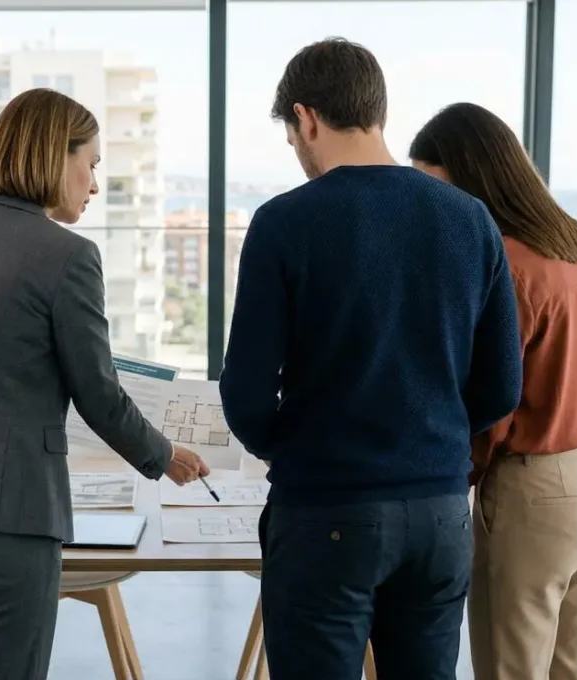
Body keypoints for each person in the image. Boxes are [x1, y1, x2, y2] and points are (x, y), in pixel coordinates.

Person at [0, 88, 209, 680]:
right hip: (7, 517)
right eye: (93, 163)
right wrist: (165, 456)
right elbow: (97, 394)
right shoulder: (69, 256)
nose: (94, 183)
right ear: (57, 156)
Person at [220, 39, 524, 680]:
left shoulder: (283, 222)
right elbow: (501, 386)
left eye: (293, 135)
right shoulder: (470, 220)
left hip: (325, 509)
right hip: (440, 513)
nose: (298, 152)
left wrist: (293, 447)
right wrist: (430, 435)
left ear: (306, 118)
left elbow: (245, 392)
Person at [409, 102, 577, 680]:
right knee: (574, 669)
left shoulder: (506, 261)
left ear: (470, 177)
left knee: (510, 670)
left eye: (436, 186)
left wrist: (455, 474)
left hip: (539, 490)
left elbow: (494, 396)